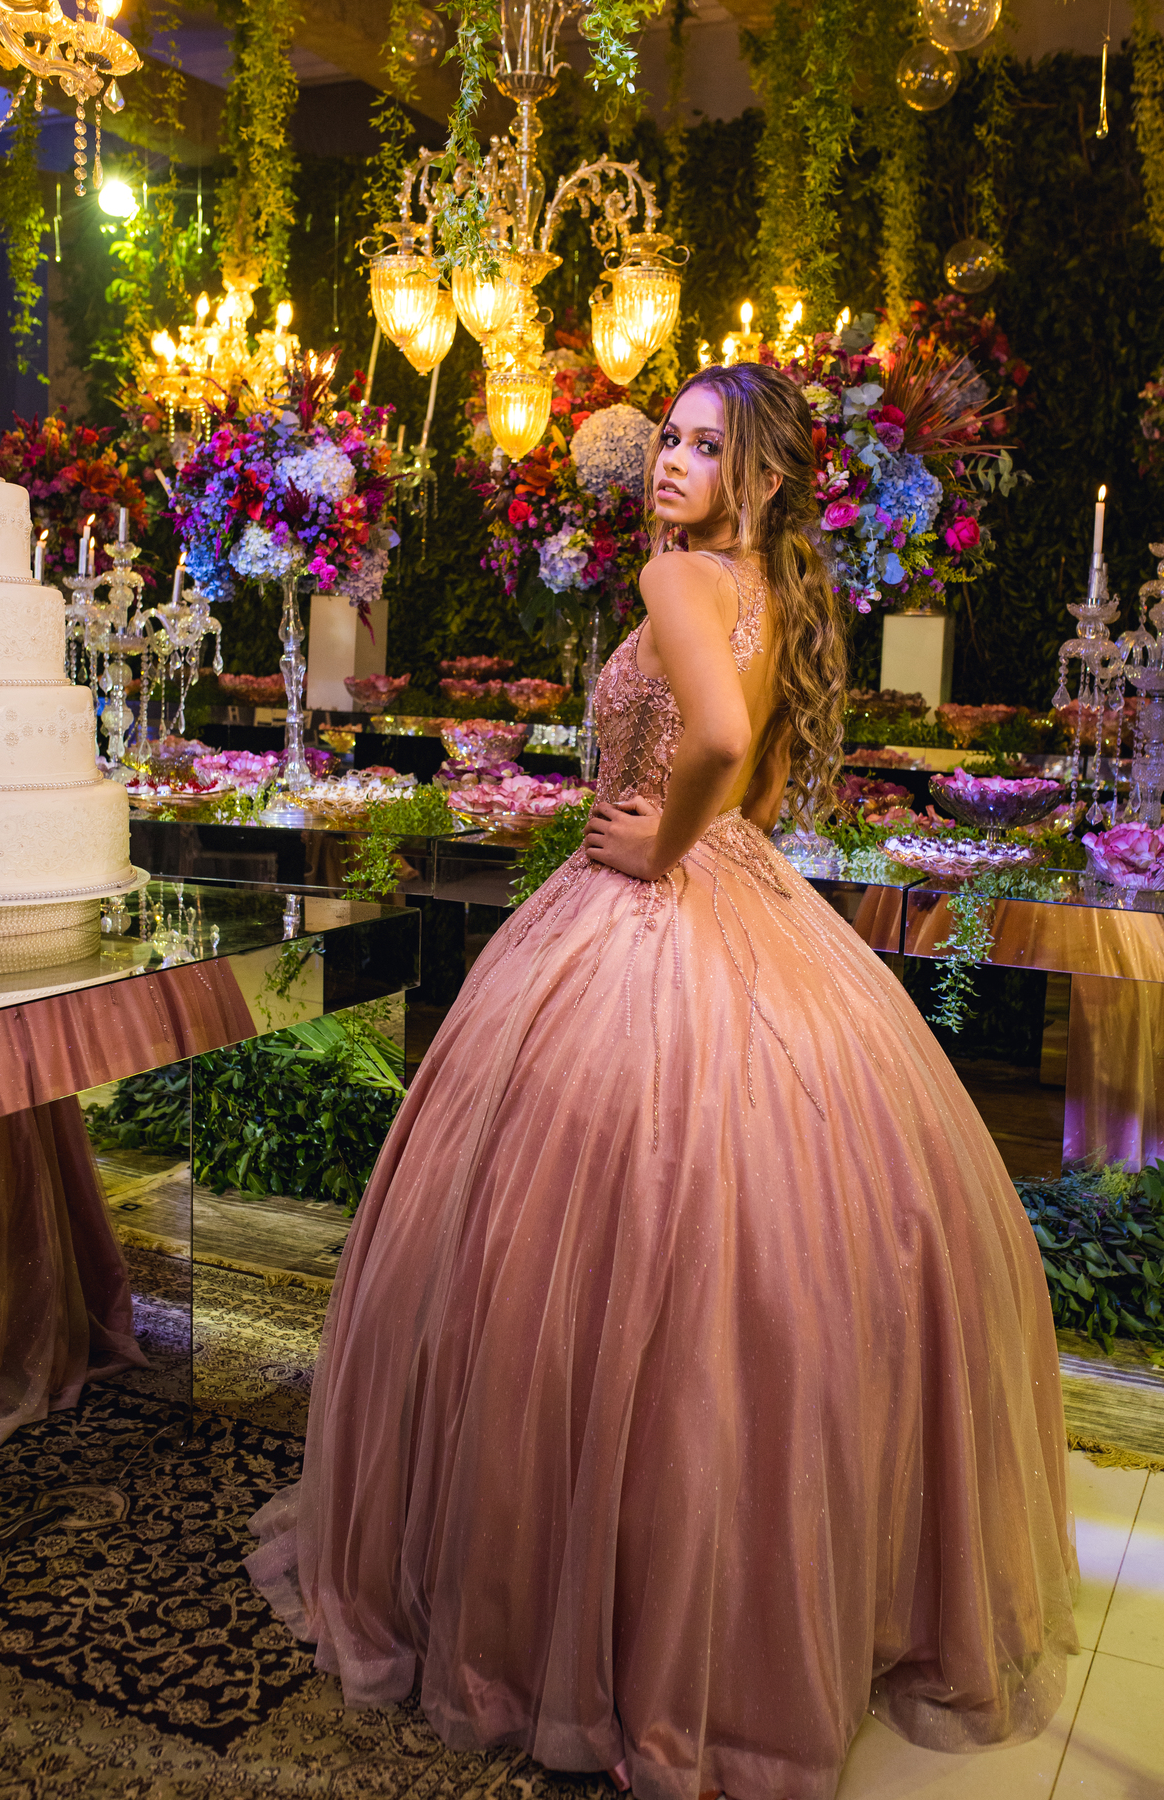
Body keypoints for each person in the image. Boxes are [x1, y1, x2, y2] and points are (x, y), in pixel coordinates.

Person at [247, 362, 1078, 1800]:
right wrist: (703, 830)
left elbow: (722, 746)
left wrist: (655, 842)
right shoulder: (771, 591)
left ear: (762, 474)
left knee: (587, 1239)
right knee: (748, 1232)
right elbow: (759, 777)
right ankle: (748, 1598)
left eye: (705, 444)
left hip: (649, 901)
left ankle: (569, 1604)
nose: (669, 463)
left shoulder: (679, 579)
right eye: (669, 439)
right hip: (754, 896)